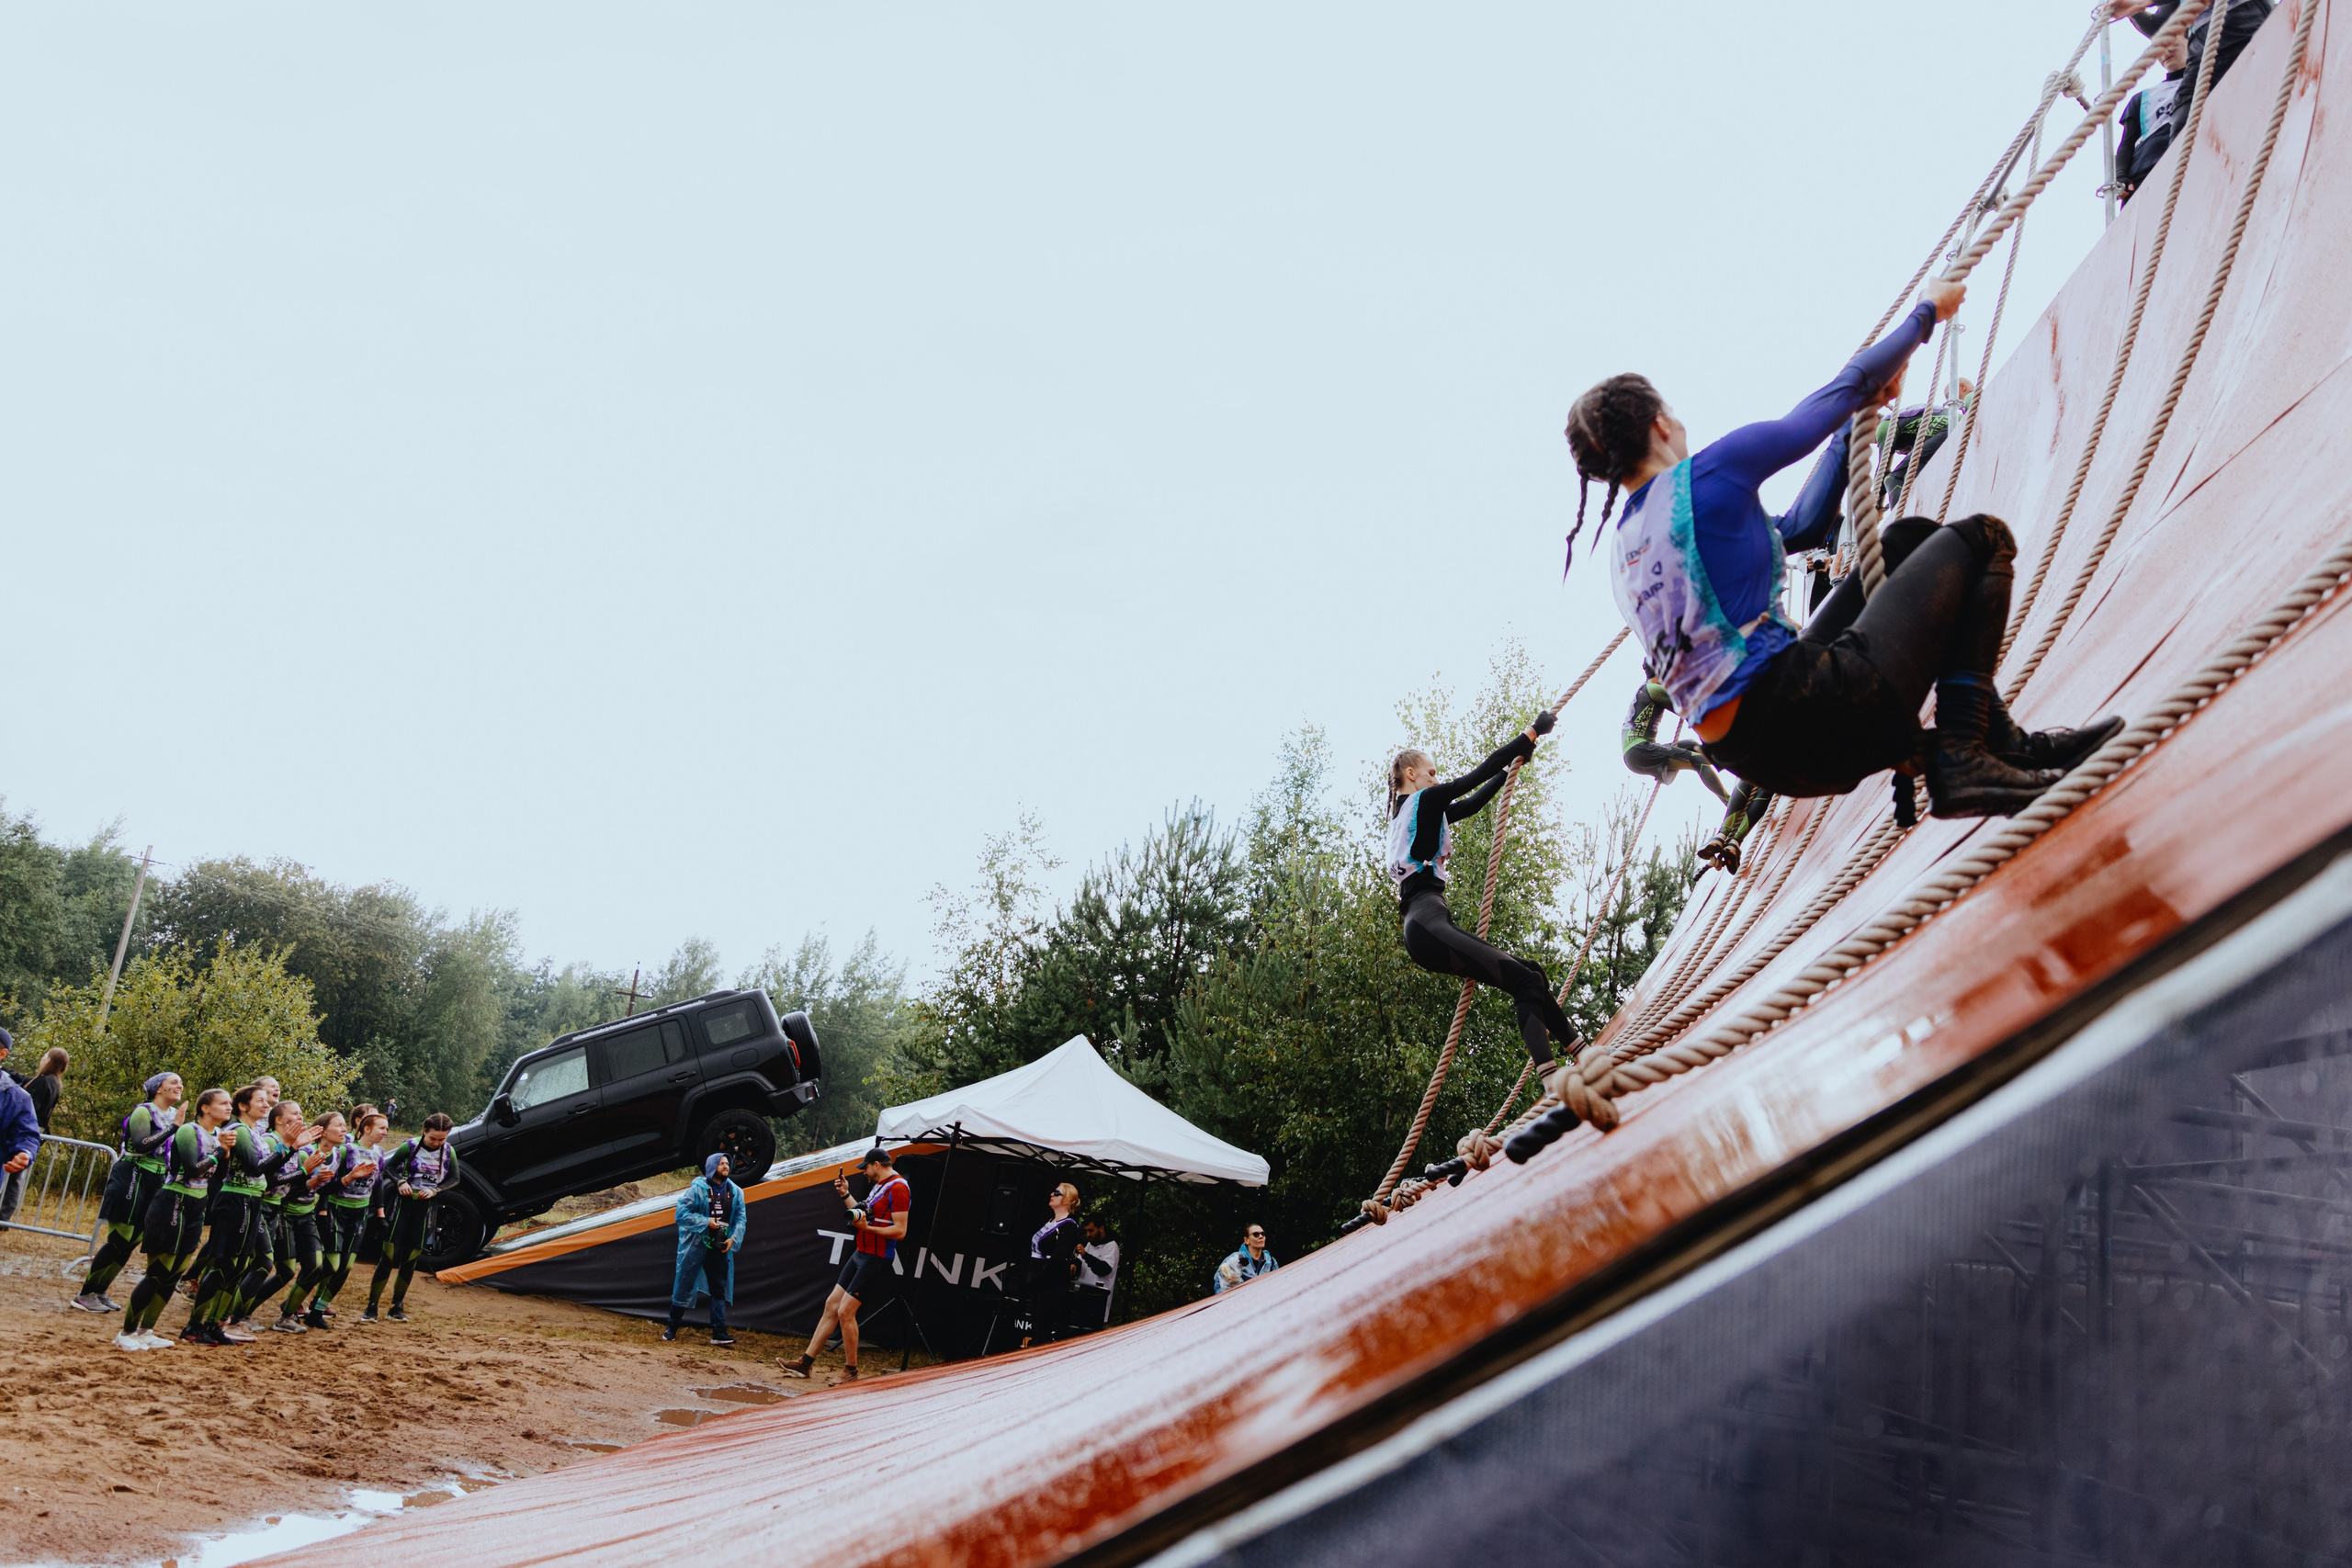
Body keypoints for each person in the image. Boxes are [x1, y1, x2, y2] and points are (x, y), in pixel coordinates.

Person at [1564, 281, 2119, 819]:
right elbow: (1838, 389)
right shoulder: (1705, 479)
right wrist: (1926, 314)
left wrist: (1855, 427)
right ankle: (1964, 759)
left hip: (1762, 758)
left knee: (1907, 541)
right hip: (1804, 711)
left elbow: (1801, 528)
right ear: (1661, 423)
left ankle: (2006, 745)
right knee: (1984, 539)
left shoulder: (1626, 556)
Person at [1389, 723, 1587, 1103]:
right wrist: (1530, 734)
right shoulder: (1425, 801)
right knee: (1524, 982)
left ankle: (1582, 1053)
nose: (1436, 778)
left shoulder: (1407, 814)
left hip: (1425, 925)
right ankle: (1552, 1086)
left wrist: (1509, 770)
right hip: (1427, 923)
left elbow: (1472, 803)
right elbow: (1476, 774)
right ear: (1411, 774)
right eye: (1432, 772)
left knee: (1532, 972)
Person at [116, 1087, 234, 1351]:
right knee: (158, 1272)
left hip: (197, 1202)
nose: (229, 1107)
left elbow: (219, 1175)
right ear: (205, 1107)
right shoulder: (188, 1131)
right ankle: (126, 1332)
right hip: (173, 1201)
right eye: (223, 1103)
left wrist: (224, 1151)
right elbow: (192, 1169)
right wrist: (219, 1150)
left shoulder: (218, 1134)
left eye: (230, 1103)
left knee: (175, 1273)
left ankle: (147, 1330)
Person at [780, 1146, 909, 1382]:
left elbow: (900, 1231)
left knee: (845, 1311)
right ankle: (805, 1363)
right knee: (832, 1305)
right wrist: (845, 1195)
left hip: (876, 1257)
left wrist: (868, 1228)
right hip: (861, 1252)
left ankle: (851, 1371)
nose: (864, 1173)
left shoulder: (899, 1188)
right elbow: (860, 1214)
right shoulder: (879, 1186)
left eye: (866, 1168)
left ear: (877, 1164)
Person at [181, 1083, 292, 1346]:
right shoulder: (239, 1130)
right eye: (260, 1101)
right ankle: (194, 1325)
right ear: (244, 1106)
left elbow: (266, 1171)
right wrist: (286, 1146)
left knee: (239, 1267)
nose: (267, 1105)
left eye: (267, 1101)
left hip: (251, 1200)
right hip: (235, 1200)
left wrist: (290, 1148)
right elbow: (256, 1169)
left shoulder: (254, 1131)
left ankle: (215, 1325)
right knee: (224, 1267)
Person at [75, 1071, 184, 1313]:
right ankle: (85, 1293)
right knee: (120, 1238)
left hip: (156, 1177)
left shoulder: (173, 1115)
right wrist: (174, 1128)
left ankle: (100, 1290)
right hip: (132, 1173)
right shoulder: (144, 1111)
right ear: (158, 1089)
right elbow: (141, 1143)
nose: (180, 1085)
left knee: (133, 1240)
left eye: (181, 1082)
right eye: (173, 1082)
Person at [2113, 0, 2276, 142]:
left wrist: (2144, 2)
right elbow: (2163, 27)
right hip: (2202, 45)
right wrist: (2135, 12)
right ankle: (2179, 169)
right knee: (2184, 104)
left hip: (2243, 19)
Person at [363, 1111, 458, 1324]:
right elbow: (388, 1167)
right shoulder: (410, 1146)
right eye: (432, 1138)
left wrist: (436, 1190)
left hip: (425, 1209)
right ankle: (371, 1307)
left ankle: (397, 1307)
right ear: (424, 1131)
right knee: (388, 1257)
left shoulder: (448, 1151)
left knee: (410, 1259)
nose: (436, 1143)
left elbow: (454, 1178)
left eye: (442, 1139)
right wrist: (400, 1182)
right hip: (401, 1205)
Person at [298, 1107, 386, 1328]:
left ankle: (318, 1310)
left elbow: (377, 1184)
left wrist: (379, 1212)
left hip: (361, 1212)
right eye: (382, 1128)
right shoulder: (346, 1150)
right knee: (331, 1265)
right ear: (366, 1128)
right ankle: (299, 1305)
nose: (385, 1132)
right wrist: (324, 1208)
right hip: (338, 1209)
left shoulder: (380, 1153)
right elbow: (328, 1184)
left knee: (346, 1267)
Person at [664, 1153, 747, 1348]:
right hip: (695, 1245)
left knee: (718, 1288)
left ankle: (719, 1332)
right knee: (684, 1284)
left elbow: (740, 1218)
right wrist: (706, 1222)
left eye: (728, 1163)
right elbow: (681, 1214)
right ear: (712, 1167)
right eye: (721, 1163)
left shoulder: (736, 1192)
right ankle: (671, 1328)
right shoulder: (698, 1189)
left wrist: (732, 1238)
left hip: (719, 1247)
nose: (726, 1166)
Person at [269, 1108, 341, 1334]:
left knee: (316, 1267)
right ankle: (238, 1312)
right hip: (284, 1212)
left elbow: (324, 1189)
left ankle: (287, 1314)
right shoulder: (305, 1151)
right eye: (339, 1125)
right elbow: (284, 1189)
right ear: (323, 1130)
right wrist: (312, 1181)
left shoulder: (336, 1155)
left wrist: (347, 1179)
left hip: (307, 1213)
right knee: (278, 1269)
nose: (344, 1130)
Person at [2115, 28, 2190, 203]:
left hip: (2188, 159)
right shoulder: (2142, 98)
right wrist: (2121, 177)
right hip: (2144, 173)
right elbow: (2126, 144)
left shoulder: (2210, 79)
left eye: (2172, 42)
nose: (2166, 51)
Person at [1622, 680, 1729, 800]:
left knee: (1692, 745)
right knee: (1698, 759)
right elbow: (1688, 712)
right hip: (1640, 749)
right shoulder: (1653, 689)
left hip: (1635, 752)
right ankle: (1728, 802)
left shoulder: (1645, 689)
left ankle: (1731, 762)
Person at [1019, 1182, 1084, 1348]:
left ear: (1067, 1200)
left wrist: (1038, 1277)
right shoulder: (1049, 1222)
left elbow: (1058, 1257)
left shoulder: (1069, 1226)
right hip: (1037, 1280)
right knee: (1035, 1326)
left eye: (1057, 1193)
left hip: (1049, 1282)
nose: (1052, 1194)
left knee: (1042, 1328)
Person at [1076, 1218, 1121, 1327]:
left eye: (1091, 1231)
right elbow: (1080, 1261)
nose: (1088, 1234)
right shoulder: (1090, 1244)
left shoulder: (1111, 1246)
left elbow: (1103, 1270)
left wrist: (1086, 1255)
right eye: (1086, 1231)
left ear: (1101, 1228)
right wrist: (1074, 1266)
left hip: (1097, 1303)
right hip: (1081, 1299)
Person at [1213, 1225, 1278, 1293]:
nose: (1261, 1236)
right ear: (1246, 1240)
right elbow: (1220, 1287)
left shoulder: (1271, 1262)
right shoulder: (1235, 1260)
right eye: (1256, 1234)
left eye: (1263, 1234)